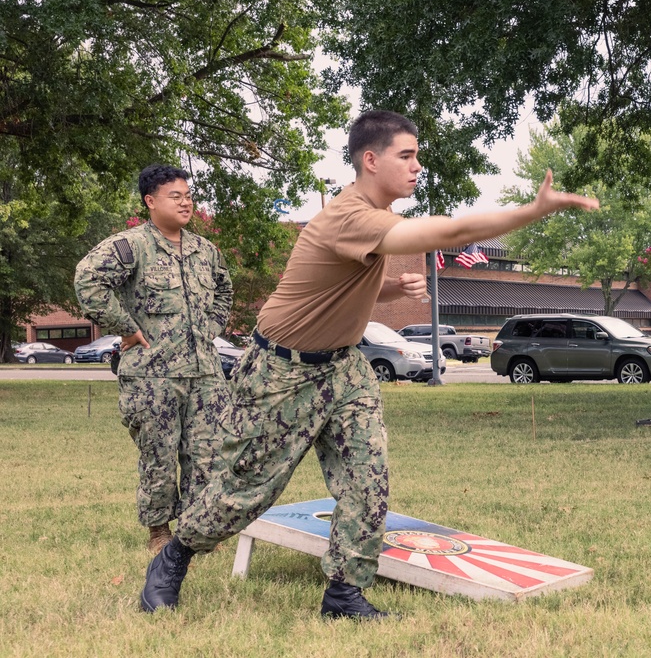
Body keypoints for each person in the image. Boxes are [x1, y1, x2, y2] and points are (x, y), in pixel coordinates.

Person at [140, 110, 600, 619]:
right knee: (245, 492)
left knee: (367, 480)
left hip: (344, 368)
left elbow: (338, 289)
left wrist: (390, 289)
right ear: (370, 159)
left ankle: (344, 593)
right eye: (407, 156)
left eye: (417, 156)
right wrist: (529, 211)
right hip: (280, 373)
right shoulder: (349, 215)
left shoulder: (370, 218)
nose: (417, 166)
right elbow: (449, 231)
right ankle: (173, 555)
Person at [75, 164, 233, 552]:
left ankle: (197, 533)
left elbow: (224, 292)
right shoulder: (132, 246)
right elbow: (87, 280)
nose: (186, 202)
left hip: (205, 376)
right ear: (151, 201)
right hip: (152, 375)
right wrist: (124, 326)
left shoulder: (204, 250)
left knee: (207, 455)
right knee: (158, 455)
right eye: (175, 196)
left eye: (189, 195)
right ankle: (159, 531)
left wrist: (210, 329)